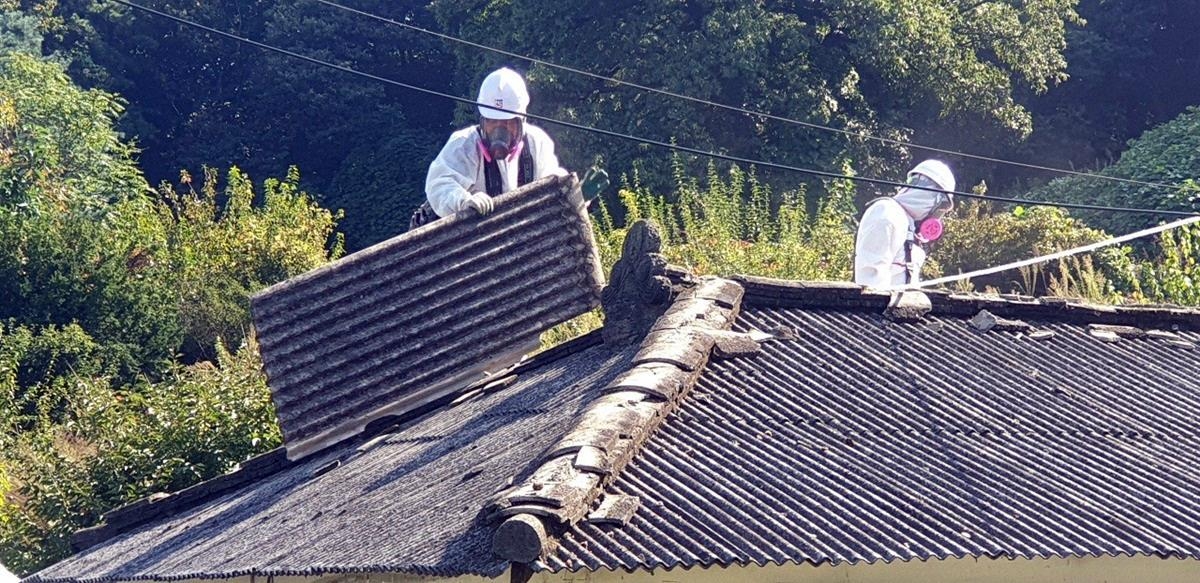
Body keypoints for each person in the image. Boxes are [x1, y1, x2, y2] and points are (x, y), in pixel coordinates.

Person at [410, 67, 566, 229]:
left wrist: (568, 187)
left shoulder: (537, 143)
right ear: (483, 119)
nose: (498, 129)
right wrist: (462, 201)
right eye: (492, 121)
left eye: (507, 122)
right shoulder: (464, 145)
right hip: (453, 241)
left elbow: (550, 182)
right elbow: (439, 184)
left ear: (521, 120)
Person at [854, 159, 956, 288]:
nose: (938, 216)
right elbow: (871, 277)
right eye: (943, 206)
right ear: (932, 196)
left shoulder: (907, 222)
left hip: (902, 306)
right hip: (880, 307)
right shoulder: (886, 212)